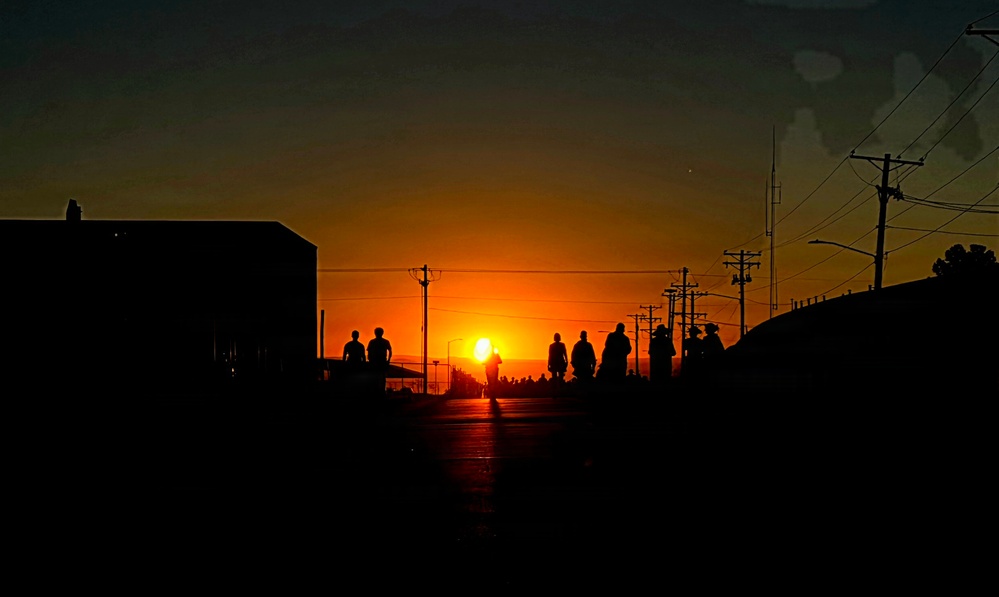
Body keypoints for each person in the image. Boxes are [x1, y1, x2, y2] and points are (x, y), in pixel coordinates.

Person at [367, 327, 393, 395]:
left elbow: (369, 352)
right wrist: (388, 360)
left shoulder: (372, 342)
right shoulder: (385, 342)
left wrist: (370, 360)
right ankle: (381, 391)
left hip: (376, 362)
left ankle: (377, 391)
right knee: (382, 377)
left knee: (376, 377)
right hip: (381, 361)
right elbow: (390, 351)